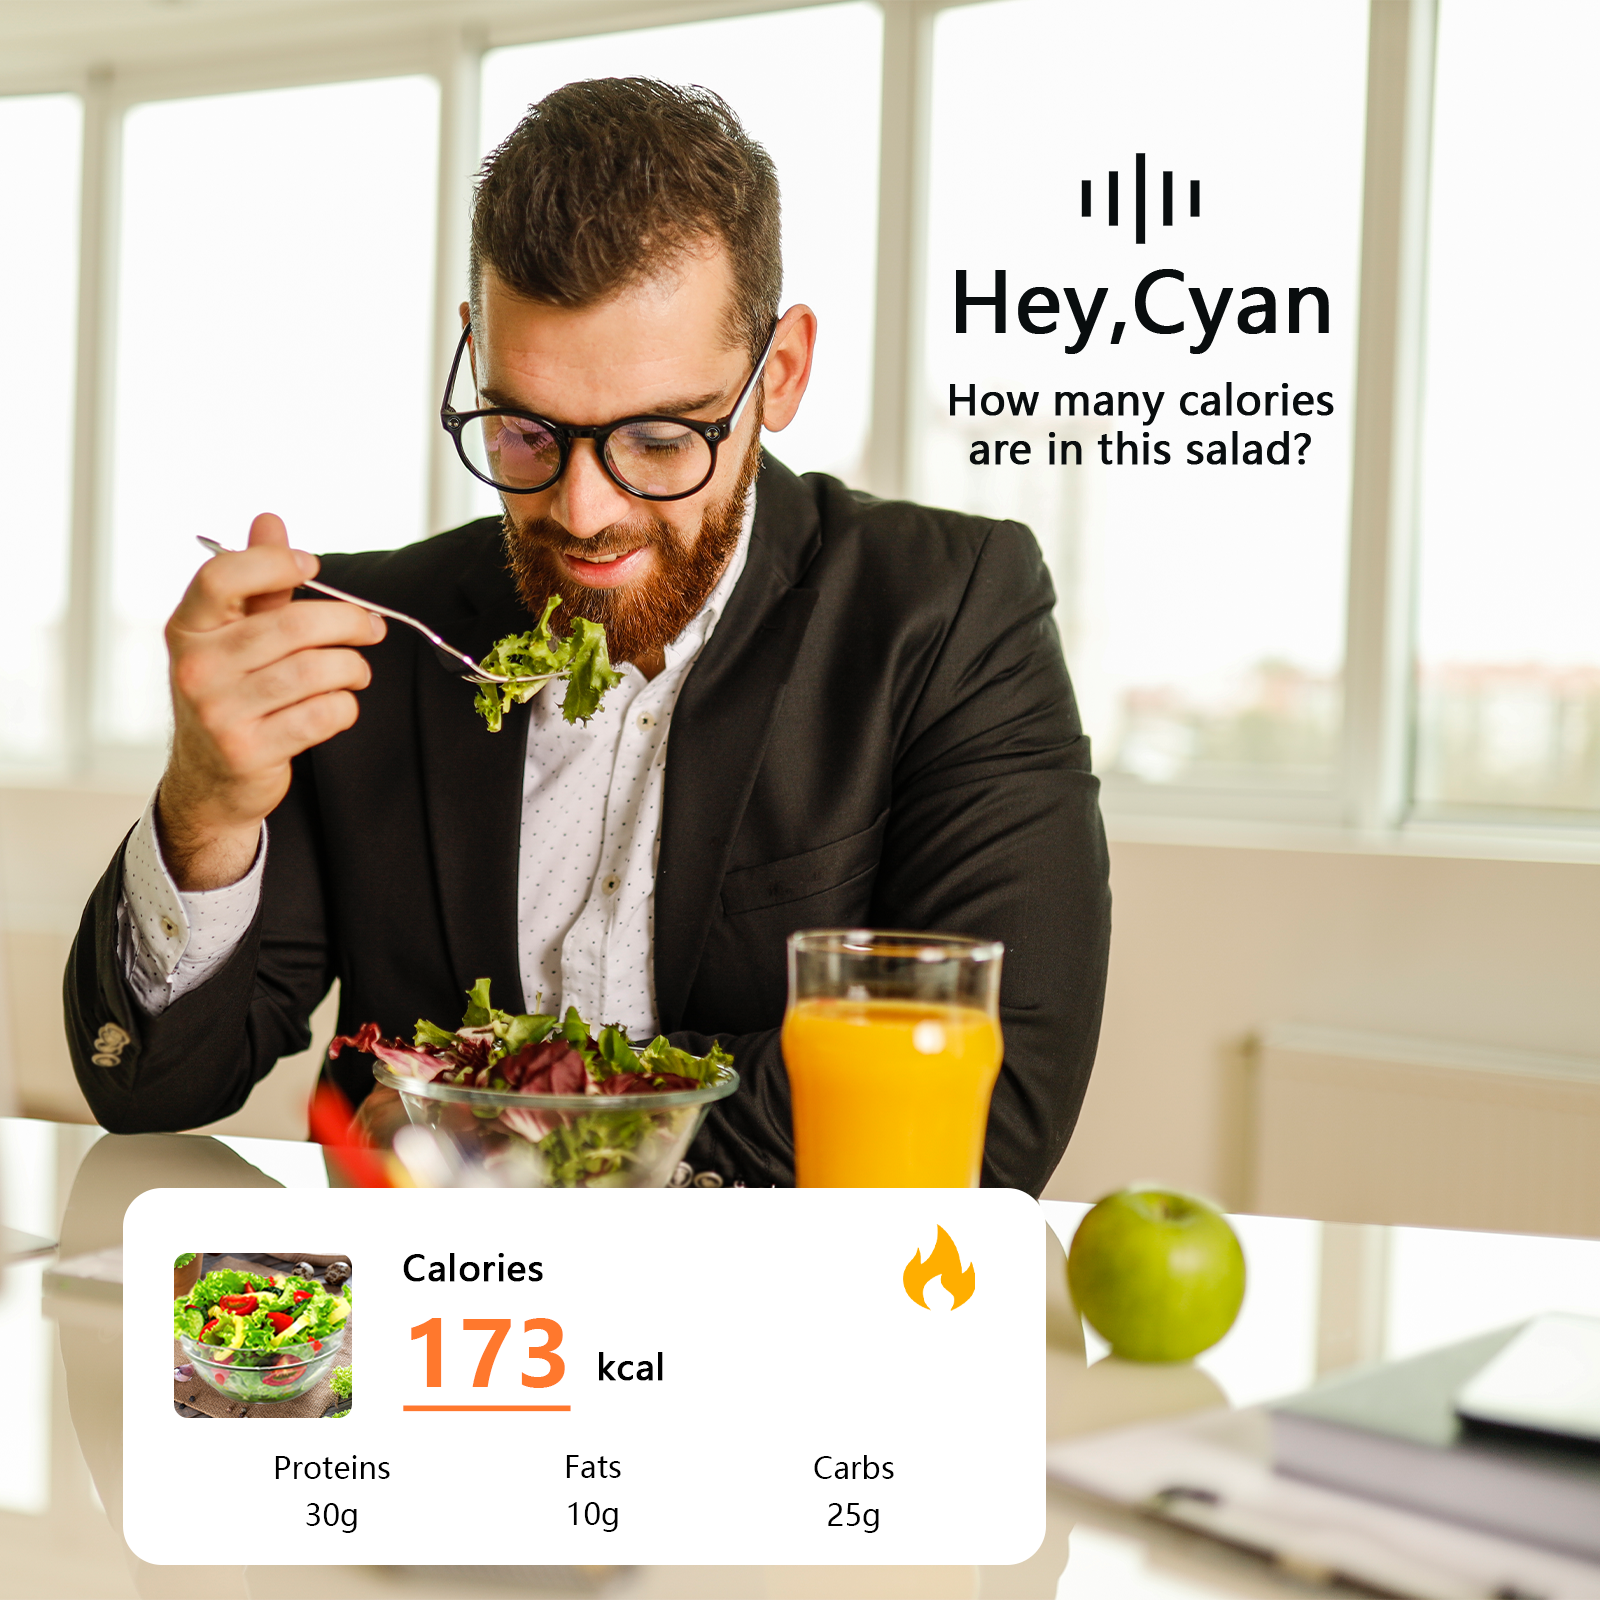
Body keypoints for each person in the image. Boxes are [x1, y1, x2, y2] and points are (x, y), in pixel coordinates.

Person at [64, 78, 1110, 1191]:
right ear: (475, 354)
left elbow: (992, 1106)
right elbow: (152, 1090)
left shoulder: (947, 612)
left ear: (780, 374)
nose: (583, 510)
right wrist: (205, 809)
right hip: (446, 1336)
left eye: (659, 440)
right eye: (525, 430)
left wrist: (496, 1134)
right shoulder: (367, 640)